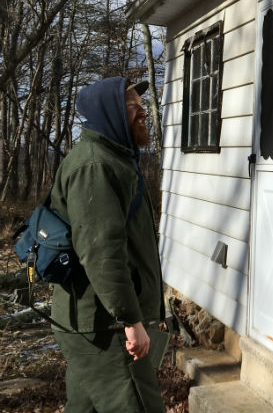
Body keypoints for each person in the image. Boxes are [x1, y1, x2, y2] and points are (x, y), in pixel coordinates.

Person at [49, 77, 165, 412]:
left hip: (96, 323)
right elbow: (102, 252)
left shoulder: (114, 160)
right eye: (133, 105)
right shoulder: (95, 165)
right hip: (106, 325)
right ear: (109, 112)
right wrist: (131, 320)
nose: (142, 110)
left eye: (141, 104)